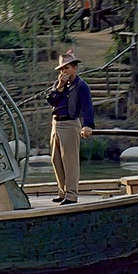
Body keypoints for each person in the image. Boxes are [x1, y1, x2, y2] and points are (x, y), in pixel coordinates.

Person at [45, 50, 95, 204]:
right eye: (61, 69)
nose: (63, 71)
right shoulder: (59, 84)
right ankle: (62, 192)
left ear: (74, 68)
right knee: (56, 160)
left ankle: (71, 195)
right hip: (56, 124)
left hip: (70, 124)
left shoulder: (81, 86)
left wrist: (88, 125)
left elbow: (87, 106)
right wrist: (59, 86)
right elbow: (51, 101)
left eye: (66, 68)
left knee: (70, 161)